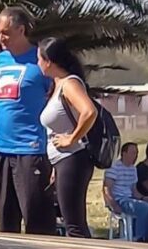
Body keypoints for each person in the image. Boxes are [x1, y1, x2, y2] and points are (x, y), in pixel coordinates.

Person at [0, 7, 54, 234]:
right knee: (6, 222)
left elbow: (58, 100)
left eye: (6, 32)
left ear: (21, 30)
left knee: (37, 221)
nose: (1, 38)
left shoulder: (41, 61)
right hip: (1, 149)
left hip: (31, 150)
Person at [38, 38, 102, 238]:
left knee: (74, 225)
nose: (37, 64)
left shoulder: (70, 84)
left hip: (74, 159)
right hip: (63, 163)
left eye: (39, 59)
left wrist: (72, 139)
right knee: (70, 222)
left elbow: (89, 112)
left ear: (49, 61)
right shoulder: (57, 85)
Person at [102, 143, 141, 238]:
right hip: (119, 199)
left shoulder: (133, 169)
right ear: (124, 153)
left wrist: (144, 198)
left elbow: (134, 190)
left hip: (130, 198)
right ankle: (139, 236)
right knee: (143, 208)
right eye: (133, 153)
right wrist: (113, 205)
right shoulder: (114, 167)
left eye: (136, 153)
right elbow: (106, 189)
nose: (135, 156)